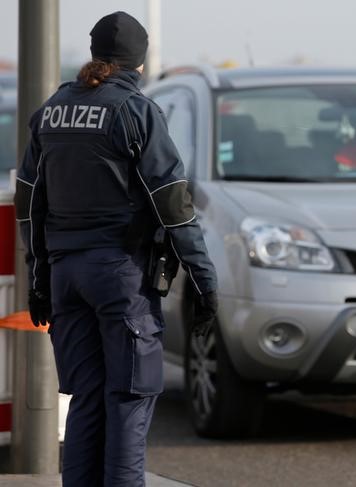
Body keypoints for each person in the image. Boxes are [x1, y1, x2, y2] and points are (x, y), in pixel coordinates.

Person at [14, 11, 218, 487]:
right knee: (128, 399)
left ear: (93, 54)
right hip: (121, 279)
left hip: (66, 278)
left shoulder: (51, 111)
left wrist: (39, 281)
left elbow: (29, 204)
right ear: (138, 63)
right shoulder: (136, 111)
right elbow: (175, 207)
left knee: (86, 398)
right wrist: (206, 283)